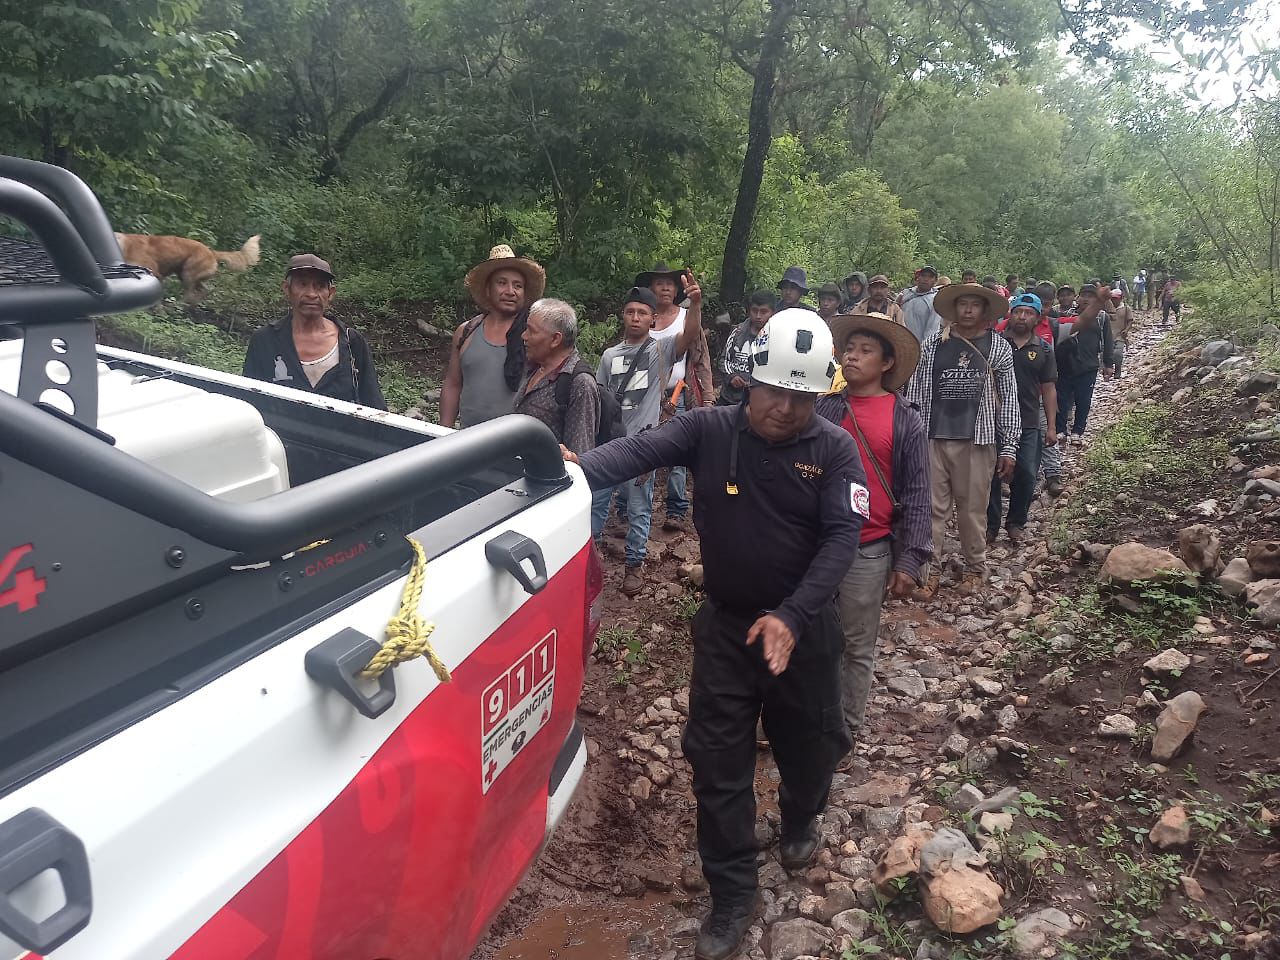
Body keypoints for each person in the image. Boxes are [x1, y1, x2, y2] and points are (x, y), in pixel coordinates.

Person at [562, 309, 866, 960]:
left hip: (803, 630)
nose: (785, 408)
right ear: (749, 379)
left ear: (820, 396)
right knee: (716, 760)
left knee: (814, 745)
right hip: (728, 628)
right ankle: (732, 889)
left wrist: (793, 615)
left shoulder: (834, 450)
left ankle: (801, 812)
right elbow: (636, 452)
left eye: (803, 396)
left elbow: (843, 539)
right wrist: (574, 471)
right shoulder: (709, 430)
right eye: (775, 390)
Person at [816, 314, 930, 752]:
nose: (852, 356)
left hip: (868, 547)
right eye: (850, 348)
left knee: (856, 643)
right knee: (808, 634)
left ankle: (843, 732)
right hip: (815, 542)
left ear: (886, 363)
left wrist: (911, 558)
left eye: (865, 350)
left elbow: (918, 491)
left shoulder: (905, 419)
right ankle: (802, 718)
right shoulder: (824, 408)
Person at [904, 282, 1019, 592]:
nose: (968, 310)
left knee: (972, 509)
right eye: (962, 304)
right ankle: (930, 570)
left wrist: (1009, 446)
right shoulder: (931, 345)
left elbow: (1008, 399)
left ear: (984, 311)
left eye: (974, 304)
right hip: (933, 435)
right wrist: (911, 436)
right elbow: (915, 393)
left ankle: (975, 566)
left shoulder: (998, 348)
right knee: (930, 508)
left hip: (977, 439)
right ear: (954, 309)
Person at [593, 280, 701, 596]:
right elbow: (599, 397)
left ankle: (634, 566)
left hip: (643, 444)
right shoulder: (609, 355)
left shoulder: (661, 350)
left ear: (653, 318)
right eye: (630, 312)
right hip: (610, 443)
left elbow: (690, 335)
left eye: (643, 312)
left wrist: (695, 304)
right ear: (623, 316)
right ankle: (591, 562)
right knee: (597, 504)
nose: (636, 317)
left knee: (640, 507)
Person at [243, 254, 386, 409]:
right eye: (302, 284)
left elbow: (374, 407)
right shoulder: (265, 341)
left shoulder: (352, 343)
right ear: (287, 289)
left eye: (319, 286)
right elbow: (249, 403)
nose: (311, 294)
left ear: (330, 293)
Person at [636, 262, 716, 533]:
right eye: (659, 283)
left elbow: (701, 358)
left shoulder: (686, 317)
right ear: (650, 288)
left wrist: (707, 397)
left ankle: (676, 509)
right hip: (643, 395)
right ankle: (630, 510)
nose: (666, 287)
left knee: (679, 452)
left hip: (678, 393)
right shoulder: (642, 316)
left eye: (670, 282)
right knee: (637, 447)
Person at [440, 244, 546, 428]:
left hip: (518, 445)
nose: (510, 291)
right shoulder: (466, 332)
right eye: (502, 283)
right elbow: (453, 384)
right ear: (488, 289)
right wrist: (442, 431)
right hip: (468, 441)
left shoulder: (534, 335)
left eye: (518, 285)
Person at [987, 294, 1057, 545]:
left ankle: (1016, 522)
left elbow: (1048, 388)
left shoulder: (1043, 349)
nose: (1022, 317)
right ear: (1010, 314)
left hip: (1028, 420)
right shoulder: (994, 343)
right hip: (992, 419)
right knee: (991, 474)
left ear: (1038, 318)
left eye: (1028, 313)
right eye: (1018, 312)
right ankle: (990, 525)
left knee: (1027, 472)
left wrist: (1051, 426)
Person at [515, 298, 599, 455]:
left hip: (544, 478)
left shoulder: (580, 383)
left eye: (531, 331)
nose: (524, 336)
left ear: (555, 339)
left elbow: (579, 455)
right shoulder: (534, 367)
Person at [1055, 283, 1114, 444]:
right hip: (1064, 365)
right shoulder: (1066, 315)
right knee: (1061, 398)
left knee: (1083, 399)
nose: (1087, 299)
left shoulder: (1102, 317)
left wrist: (1108, 363)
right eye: (1084, 295)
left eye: (1091, 296)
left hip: (1088, 366)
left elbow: (1108, 341)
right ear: (1078, 298)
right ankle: (1060, 430)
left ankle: (1077, 431)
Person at [718, 290, 773, 406]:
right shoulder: (737, 331)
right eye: (754, 311)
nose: (758, 316)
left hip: (757, 400)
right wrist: (732, 377)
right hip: (729, 397)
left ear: (772, 313)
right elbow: (724, 360)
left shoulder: (776, 338)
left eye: (763, 312)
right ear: (749, 311)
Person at [898, 265, 942, 343]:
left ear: (935, 281)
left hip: (918, 345)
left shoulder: (936, 300)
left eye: (930, 277)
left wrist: (924, 349)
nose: (926, 279)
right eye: (923, 276)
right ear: (918, 277)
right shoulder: (905, 293)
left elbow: (932, 328)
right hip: (899, 342)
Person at [1108, 288, 1136, 378]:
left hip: (1120, 336)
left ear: (1120, 298)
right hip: (1107, 336)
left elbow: (1130, 321)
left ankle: (1118, 371)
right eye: (1112, 298)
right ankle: (1108, 371)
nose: (1114, 300)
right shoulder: (1107, 308)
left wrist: (1126, 330)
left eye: (1116, 299)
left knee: (1118, 354)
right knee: (1107, 355)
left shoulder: (1126, 308)